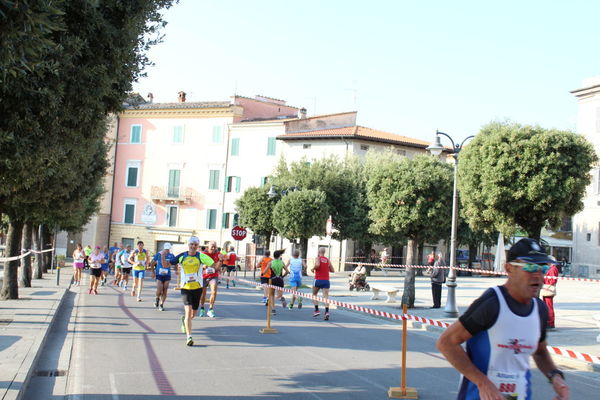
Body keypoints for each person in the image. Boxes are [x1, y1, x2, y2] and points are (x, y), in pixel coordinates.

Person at [436, 238, 569, 400]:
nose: (538, 275)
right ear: (509, 269)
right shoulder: (492, 303)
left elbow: (540, 352)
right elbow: (446, 342)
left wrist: (555, 376)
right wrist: (482, 383)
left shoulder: (540, 309)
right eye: (530, 267)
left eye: (543, 268)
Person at [168, 236, 214, 346]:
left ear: (198, 246)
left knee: (193, 313)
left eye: (195, 245)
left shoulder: (201, 256)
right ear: (188, 245)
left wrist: (221, 261)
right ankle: (189, 337)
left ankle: (184, 319)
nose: (193, 246)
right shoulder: (182, 256)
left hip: (198, 288)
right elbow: (169, 263)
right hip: (185, 288)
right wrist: (162, 258)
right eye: (191, 244)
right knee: (188, 311)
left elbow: (214, 266)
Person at [199, 241, 223, 318]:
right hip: (204, 276)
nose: (213, 248)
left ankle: (210, 309)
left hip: (213, 276)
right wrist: (203, 266)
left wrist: (221, 260)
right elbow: (199, 264)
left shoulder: (218, 254)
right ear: (208, 247)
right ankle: (202, 308)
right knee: (203, 294)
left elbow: (218, 267)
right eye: (212, 246)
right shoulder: (203, 254)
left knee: (214, 292)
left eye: (215, 246)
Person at [311, 247, 335, 320]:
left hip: (318, 279)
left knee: (314, 294)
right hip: (326, 280)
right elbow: (332, 270)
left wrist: (313, 269)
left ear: (318, 252)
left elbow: (317, 265)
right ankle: (327, 312)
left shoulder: (318, 258)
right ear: (324, 252)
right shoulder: (327, 260)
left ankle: (316, 310)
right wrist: (326, 268)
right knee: (326, 297)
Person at [150, 243, 175, 311]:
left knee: (165, 289)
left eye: (168, 249)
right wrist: (153, 272)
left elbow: (175, 262)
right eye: (166, 249)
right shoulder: (159, 254)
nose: (167, 250)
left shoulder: (171, 255)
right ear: (164, 248)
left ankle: (161, 304)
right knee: (159, 289)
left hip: (167, 275)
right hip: (159, 275)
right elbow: (152, 262)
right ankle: (157, 298)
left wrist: (176, 270)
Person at [265, 249, 289, 314]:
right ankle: (281, 298)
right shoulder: (282, 262)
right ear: (279, 256)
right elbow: (287, 272)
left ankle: (273, 309)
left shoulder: (271, 262)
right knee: (279, 295)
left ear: (273, 256)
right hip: (280, 280)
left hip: (272, 280)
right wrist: (283, 276)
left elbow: (265, 272)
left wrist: (262, 274)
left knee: (271, 295)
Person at [542, 262, 560, 329]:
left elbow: (552, 280)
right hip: (546, 288)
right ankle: (547, 322)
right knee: (546, 306)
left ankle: (550, 323)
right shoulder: (550, 268)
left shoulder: (553, 269)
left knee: (549, 307)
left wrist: (545, 280)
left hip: (549, 288)